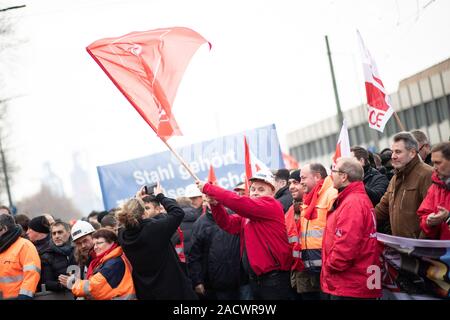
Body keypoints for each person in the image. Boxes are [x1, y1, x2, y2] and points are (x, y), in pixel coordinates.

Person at [197, 170, 293, 300]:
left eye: (261, 189)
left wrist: (210, 188)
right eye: (253, 189)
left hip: (274, 279)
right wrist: (216, 205)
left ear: (272, 192)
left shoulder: (271, 205)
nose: (255, 192)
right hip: (255, 280)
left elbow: (238, 202)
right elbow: (227, 224)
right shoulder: (248, 215)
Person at [117, 183, 197, 300]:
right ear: (144, 214)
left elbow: (124, 223)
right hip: (172, 289)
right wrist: (160, 196)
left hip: (146, 292)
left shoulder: (123, 235)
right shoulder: (154, 229)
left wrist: (136, 199)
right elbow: (178, 213)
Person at [321, 158, 381, 300]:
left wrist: (330, 265)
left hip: (351, 282)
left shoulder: (352, 202)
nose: (331, 175)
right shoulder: (352, 199)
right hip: (352, 280)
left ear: (344, 176)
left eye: (333, 171)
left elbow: (347, 244)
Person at [375, 132, 433, 238]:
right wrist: (360, 221)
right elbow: (382, 208)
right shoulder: (395, 178)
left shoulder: (427, 174)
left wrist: (421, 245)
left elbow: (432, 216)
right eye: (392, 152)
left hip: (421, 250)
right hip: (402, 249)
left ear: (412, 153)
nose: (393, 156)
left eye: (398, 152)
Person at [188, 197, 241, 300]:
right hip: (214, 284)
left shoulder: (235, 217)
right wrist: (197, 281)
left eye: (216, 198)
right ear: (206, 202)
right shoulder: (200, 224)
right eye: (210, 200)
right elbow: (194, 256)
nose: (214, 202)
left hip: (240, 281)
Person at [60, 228, 135, 300]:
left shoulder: (114, 262)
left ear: (112, 242)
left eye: (99, 243)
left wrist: (73, 284)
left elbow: (93, 287)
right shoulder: (106, 260)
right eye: (94, 244)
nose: (95, 247)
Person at [298, 163, 337, 299]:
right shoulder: (309, 198)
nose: (300, 182)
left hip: (330, 267)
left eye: (303, 178)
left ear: (317, 177)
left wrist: (332, 261)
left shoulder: (331, 193)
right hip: (315, 268)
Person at [0, 213, 41, 299]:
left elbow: (32, 274)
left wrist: (24, 297)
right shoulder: (2, 248)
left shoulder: (25, 245)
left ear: (4, 229)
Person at [417, 142, 450, 240]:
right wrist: (429, 221)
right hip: (444, 252)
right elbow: (424, 214)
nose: (434, 167)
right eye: (433, 162)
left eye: (438, 162)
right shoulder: (435, 186)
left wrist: (448, 217)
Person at [284, 169, 305, 299]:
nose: (291, 187)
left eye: (295, 182)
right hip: (298, 274)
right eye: (290, 183)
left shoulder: (316, 207)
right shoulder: (289, 211)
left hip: (315, 272)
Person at [40, 220, 76, 292]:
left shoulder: (78, 250)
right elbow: (47, 283)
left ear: (68, 233)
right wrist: (63, 285)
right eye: (54, 233)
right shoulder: (46, 255)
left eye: (60, 232)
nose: (56, 236)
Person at [27, 216, 52, 292]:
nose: (27, 232)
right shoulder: (28, 246)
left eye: (30, 229)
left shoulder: (52, 247)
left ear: (38, 231)